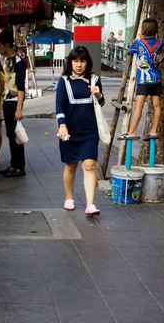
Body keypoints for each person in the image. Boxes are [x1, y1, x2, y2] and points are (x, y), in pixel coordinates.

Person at [55, 46, 104, 216]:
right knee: (71, 165)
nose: (79, 65)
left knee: (89, 165)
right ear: (70, 62)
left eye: (82, 61)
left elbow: (101, 102)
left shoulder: (94, 80)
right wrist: (62, 125)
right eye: (75, 61)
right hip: (69, 131)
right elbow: (59, 105)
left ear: (87, 63)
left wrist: (98, 94)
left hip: (90, 131)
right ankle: (69, 198)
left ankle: (90, 204)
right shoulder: (64, 81)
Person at [119, 18, 163, 140]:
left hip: (143, 80)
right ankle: (154, 131)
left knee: (139, 105)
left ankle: (132, 131)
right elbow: (157, 50)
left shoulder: (137, 44)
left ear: (142, 32)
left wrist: (140, 38)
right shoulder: (160, 44)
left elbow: (130, 51)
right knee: (157, 106)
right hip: (156, 79)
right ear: (157, 31)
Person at [0, 30, 27, 177]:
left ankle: (20, 167)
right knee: (10, 134)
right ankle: (14, 165)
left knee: (16, 135)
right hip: (7, 102)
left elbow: (21, 86)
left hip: (14, 103)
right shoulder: (7, 61)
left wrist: (19, 109)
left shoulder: (19, 62)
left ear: (7, 45)